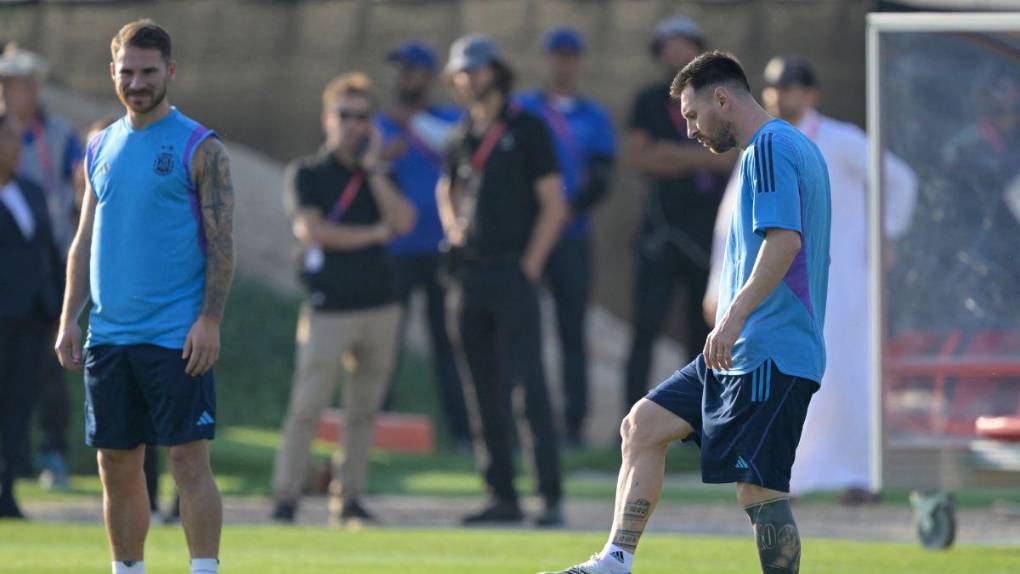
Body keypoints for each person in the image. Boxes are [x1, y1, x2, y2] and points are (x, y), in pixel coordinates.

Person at [541, 51, 831, 574]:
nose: (691, 130)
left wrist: (735, 315)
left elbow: (784, 242)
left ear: (723, 98)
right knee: (642, 426)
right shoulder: (784, 148)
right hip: (739, 347)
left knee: (758, 489)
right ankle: (615, 560)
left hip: (771, 349)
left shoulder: (769, 146)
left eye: (694, 115)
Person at [54, 20, 234, 574]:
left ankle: (204, 568)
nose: (137, 83)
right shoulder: (99, 145)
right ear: (113, 72)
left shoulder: (200, 147)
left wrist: (209, 319)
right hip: (110, 337)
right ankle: (127, 570)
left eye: (148, 72)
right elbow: (84, 242)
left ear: (170, 72)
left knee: (186, 459)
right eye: (127, 72)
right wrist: (68, 320)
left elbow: (222, 242)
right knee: (115, 464)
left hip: (176, 335)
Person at [705, 55, 917, 503]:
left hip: (845, 281)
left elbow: (899, 181)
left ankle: (863, 475)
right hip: (780, 283)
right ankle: (788, 478)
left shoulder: (841, 141)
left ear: (811, 92)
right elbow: (732, 225)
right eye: (776, 85)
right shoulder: (757, 146)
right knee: (789, 376)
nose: (783, 94)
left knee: (851, 375)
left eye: (793, 86)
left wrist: (885, 236)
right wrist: (717, 285)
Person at [271, 72, 416, 526]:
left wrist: (373, 171)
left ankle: (349, 497)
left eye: (363, 117)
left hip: (380, 306)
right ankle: (285, 497)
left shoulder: (379, 173)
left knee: (364, 410)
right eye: (345, 116)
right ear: (327, 119)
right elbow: (314, 232)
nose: (354, 125)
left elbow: (406, 221)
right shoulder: (307, 173)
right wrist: (373, 234)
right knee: (307, 407)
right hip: (329, 308)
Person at [438, 34, 568, 526]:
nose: (465, 79)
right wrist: (452, 226)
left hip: (514, 271)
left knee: (528, 388)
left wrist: (531, 265)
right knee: (481, 390)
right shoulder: (459, 136)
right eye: (459, 72)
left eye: (472, 69)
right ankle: (501, 496)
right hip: (468, 276)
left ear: (494, 70)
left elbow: (555, 205)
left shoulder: (527, 127)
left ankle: (549, 496)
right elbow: (444, 187)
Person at [622, 16, 734, 415]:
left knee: (701, 333)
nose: (678, 51)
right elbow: (639, 157)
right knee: (644, 329)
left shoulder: (716, 97)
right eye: (670, 43)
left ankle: (702, 421)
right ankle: (631, 417)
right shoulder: (648, 99)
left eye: (686, 42)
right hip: (660, 232)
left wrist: (667, 156)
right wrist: (696, 158)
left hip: (704, 233)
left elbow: (726, 161)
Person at [514, 27, 616, 447]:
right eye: (557, 55)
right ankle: (526, 421)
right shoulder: (524, 109)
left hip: (572, 234)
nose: (563, 63)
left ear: (579, 62)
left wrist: (565, 212)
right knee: (522, 328)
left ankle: (574, 424)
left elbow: (602, 177)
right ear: (546, 60)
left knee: (572, 331)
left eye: (570, 56)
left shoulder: (593, 116)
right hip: (530, 235)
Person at [376, 41, 471, 447]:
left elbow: (453, 146)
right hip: (395, 249)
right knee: (384, 346)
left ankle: (463, 433)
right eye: (399, 69)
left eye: (411, 69)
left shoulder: (449, 117)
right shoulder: (381, 123)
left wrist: (412, 121)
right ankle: (378, 429)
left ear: (430, 76)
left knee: (448, 343)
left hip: (440, 247)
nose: (403, 77)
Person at [0, 42, 83, 491]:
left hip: (49, 260)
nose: (26, 92)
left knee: (51, 366)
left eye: (32, 83)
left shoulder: (57, 132)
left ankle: (51, 451)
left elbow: (80, 178)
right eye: (17, 83)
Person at [0, 112, 63, 518]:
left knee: (18, 406)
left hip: (33, 319)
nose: (15, 146)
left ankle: (6, 491)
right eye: (8, 138)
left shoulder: (31, 190)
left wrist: (60, 307)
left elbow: (50, 253)